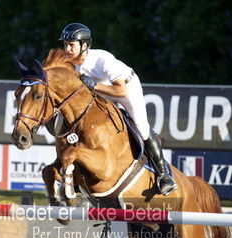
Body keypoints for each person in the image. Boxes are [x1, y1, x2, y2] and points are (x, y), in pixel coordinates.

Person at [58, 22, 177, 196]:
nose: (67, 49)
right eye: (65, 45)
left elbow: (121, 91)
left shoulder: (102, 59)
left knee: (142, 128)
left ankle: (164, 174)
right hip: (101, 92)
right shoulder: (71, 64)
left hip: (126, 89)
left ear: (84, 45)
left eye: (71, 45)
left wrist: (94, 85)